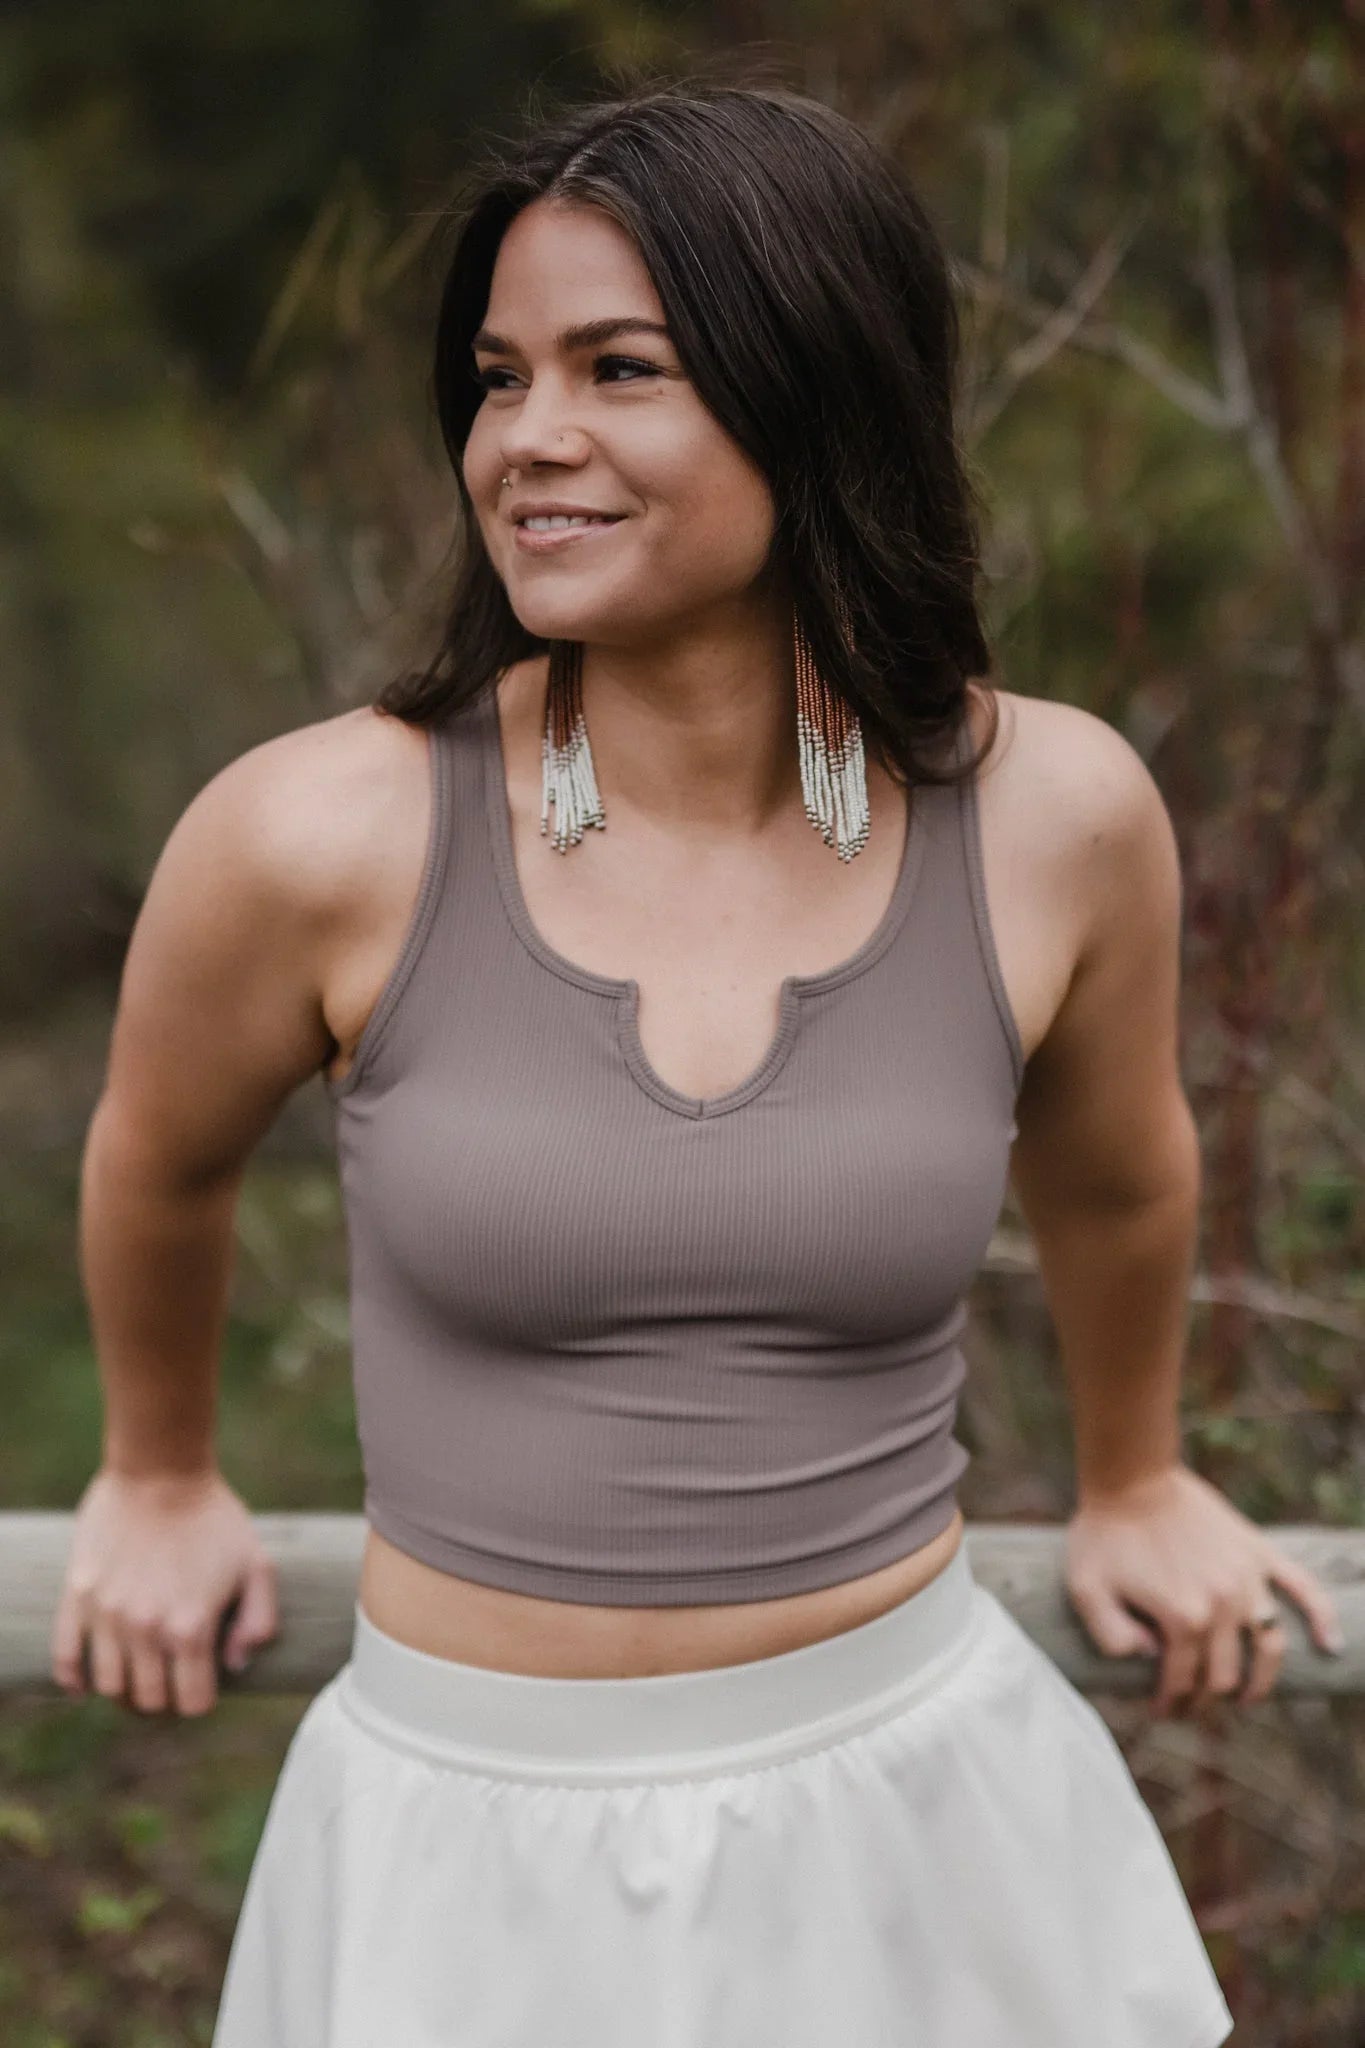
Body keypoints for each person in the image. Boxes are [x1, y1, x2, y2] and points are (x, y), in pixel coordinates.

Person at [52, 75, 1343, 2048]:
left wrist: (1136, 1470)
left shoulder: (1053, 812)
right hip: (458, 1848)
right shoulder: (320, 833)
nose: (528, 441)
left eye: (616, 367)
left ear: (809, 391)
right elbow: (155, 1154)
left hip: (920, 1819)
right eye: (497, 378)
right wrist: (153, 1470)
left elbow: (1114, 1173)